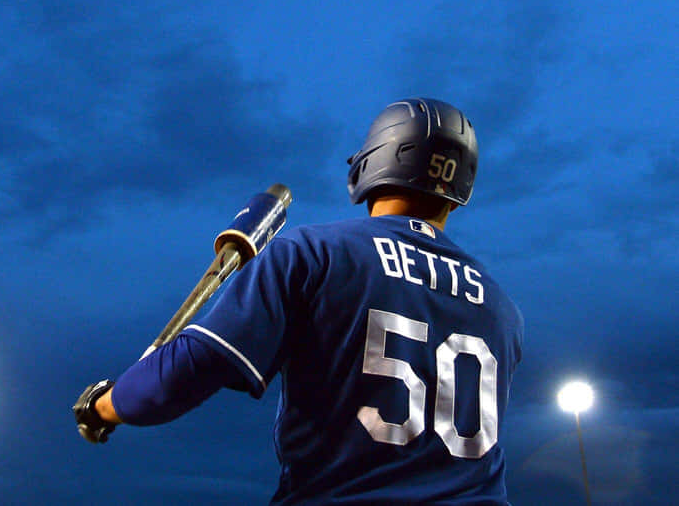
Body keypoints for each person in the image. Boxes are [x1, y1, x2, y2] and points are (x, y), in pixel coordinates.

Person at [75, 97, 524, 504]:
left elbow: (178, 378)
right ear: (459, 187)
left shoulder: (313, 252)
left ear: (373, 162)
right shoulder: (503, 308)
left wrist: (104, 405)